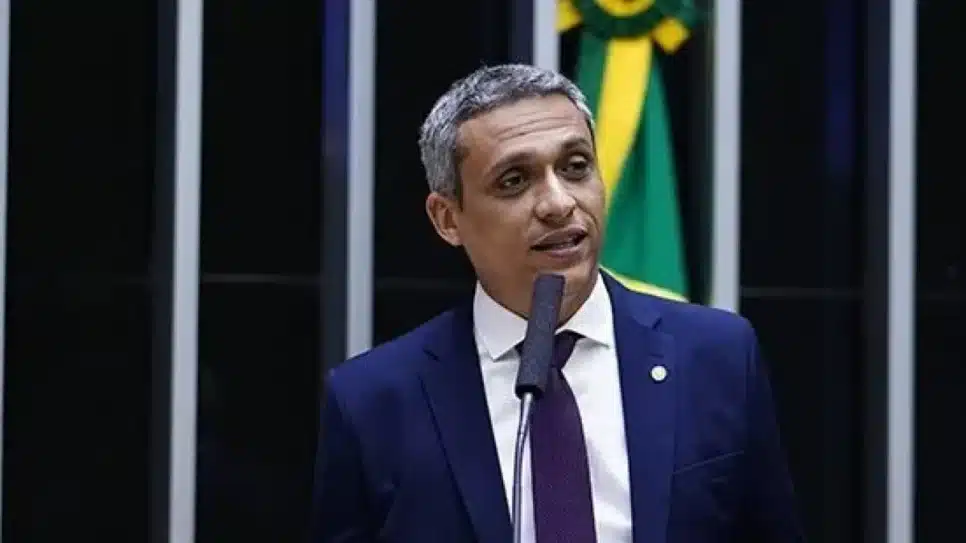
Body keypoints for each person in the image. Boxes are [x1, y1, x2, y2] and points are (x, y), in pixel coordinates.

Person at [310, 64, 805, 542]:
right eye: (514, 181)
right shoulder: (373, 400)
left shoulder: (716, 356)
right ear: (447, 219)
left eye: (575, 168)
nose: (558, 203)